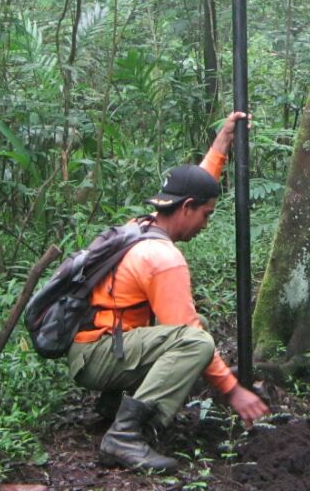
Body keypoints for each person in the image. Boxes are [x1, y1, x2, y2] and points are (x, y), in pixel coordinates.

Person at [68, 110, 269, 472]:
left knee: (188, 332)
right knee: (195, 342)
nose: (207, 224)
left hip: (92, 347)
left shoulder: (140, 227)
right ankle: (125, 436)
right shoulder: (163, 258)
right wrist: (233, 390)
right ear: (187, 208)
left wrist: (221, 144)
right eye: (206, 215)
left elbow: (197, 185)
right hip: (99, 356)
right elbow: (189, 333)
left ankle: (113, 407)